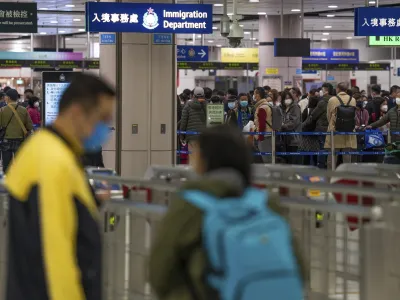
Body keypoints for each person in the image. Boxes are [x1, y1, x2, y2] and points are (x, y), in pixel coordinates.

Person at [149, 124, 305, 300]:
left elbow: (160, 270)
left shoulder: (191, 205)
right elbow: (300, 267)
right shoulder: (266, 203)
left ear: (205, 161)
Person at [5, 73, 115, 300]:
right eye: (103, 118)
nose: (106, 127)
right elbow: (53, 257)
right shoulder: (52, 162)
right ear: (76, 113)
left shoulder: (54, 151)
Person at [324, 82, 357, 170]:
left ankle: (331, 176)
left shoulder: (332, 100)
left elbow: (328, 115)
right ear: (346, 90)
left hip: (335, 131)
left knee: (332, 157)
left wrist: (332, 124)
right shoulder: (352, 99)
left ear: (337, 89)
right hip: (348, 131)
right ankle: (347, 177)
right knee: (347, 157)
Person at [0, 88, 33, 172]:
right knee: (20, 165)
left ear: (8, 98)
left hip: (6, 140)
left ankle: (6, 182)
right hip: (20, 140)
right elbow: (29, 126)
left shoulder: (2, 110)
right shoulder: (24, 110)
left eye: (6, 97)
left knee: (6, 166)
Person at [180, 87, 207, 164]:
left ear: (193, 95)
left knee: (192, 158)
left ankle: (193, 174)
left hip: (191, 136)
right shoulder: (207, 106)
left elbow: (183, 122)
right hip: (203, 137)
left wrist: (182, 136)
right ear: (203, 95)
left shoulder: (188, 105)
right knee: (201, 159)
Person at [310, 83, 331, 169]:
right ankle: (328, 165)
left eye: (322, 90)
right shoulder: (335, 99)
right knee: (330, 148)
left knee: (322, 148)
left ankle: (321, 166)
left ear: (326, 91)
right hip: (331, 128)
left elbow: (314, 115)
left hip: (322, 128)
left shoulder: (322, 101)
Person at [253, 87, 273, 163]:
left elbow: (262, 124)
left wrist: (260, 137)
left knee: (266, 159)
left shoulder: (262, 107)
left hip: (264, 136)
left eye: (254, 94)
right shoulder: (266, 105)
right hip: (268, 135)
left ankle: (270, 173)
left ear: (258, 95)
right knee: (268, 157)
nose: (254, 96)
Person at [281, 91, 301, 164]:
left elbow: (294, 122)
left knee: (292, 161)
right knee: (287, 161)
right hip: (284, 138)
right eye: (285, 98)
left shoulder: (295, 107)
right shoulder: (283, 108)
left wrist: (282, 125)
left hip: (293, 138)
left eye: (289, 98)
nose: (287, 99)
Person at [300, 96, 320, 166]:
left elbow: (302, 120)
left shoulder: (306, 110)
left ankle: (305, 167)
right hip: (315, 134)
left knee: (306, 153)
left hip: (306, 134)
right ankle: (315, 167)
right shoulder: (317, 110)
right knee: (315, 153)